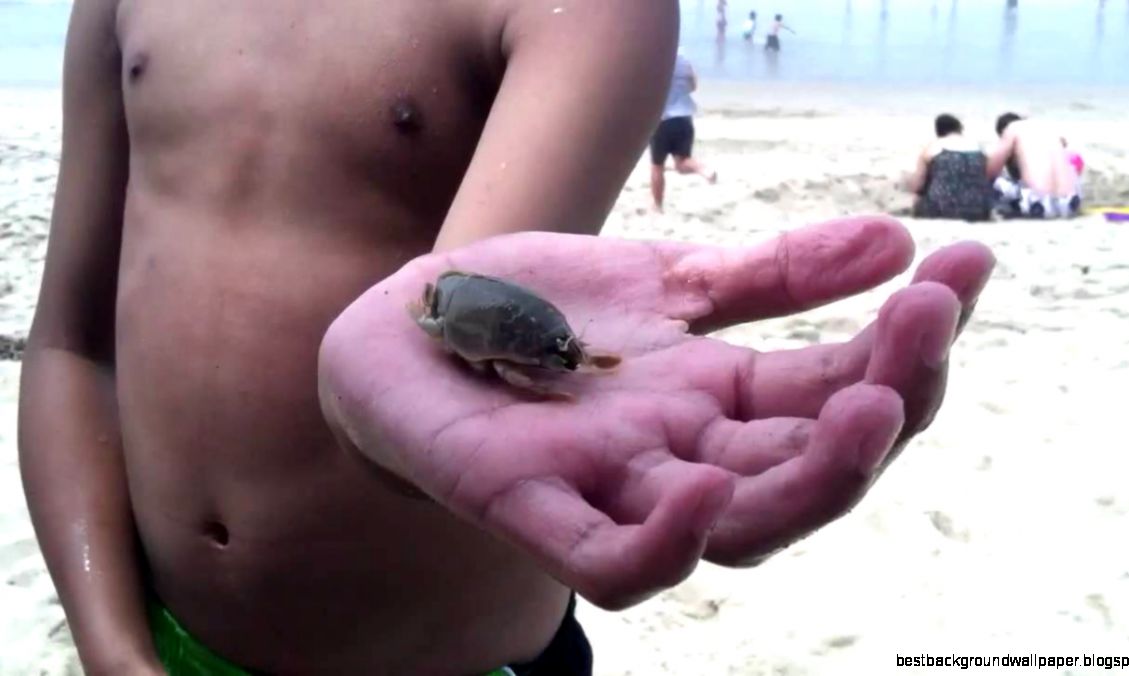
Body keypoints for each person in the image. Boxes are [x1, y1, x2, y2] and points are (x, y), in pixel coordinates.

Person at [18, 1, 994, 675]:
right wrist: (111, 646)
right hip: (152, 636)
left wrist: (415, 404)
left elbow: (442, 368)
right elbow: (70, 343)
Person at [649, 50, 717, 213]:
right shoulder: (683, 58)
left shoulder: (653, 60)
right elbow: (693, 86)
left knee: (657, 166)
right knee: (682, 163)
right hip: (685, 118)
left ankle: (657, 206)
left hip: (662, 121)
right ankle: (702, 168)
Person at [986, 112, 1082, 219]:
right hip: (1071, 203)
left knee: (994, 183)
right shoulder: (1046, 128)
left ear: (1002, 132)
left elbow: (990, 171)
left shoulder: (1011, 129)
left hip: (1040, 205)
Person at [906, 114, 993, 222]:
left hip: (940, 209)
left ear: (938, 131)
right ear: (960, 128)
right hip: (979, 210)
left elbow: (917, 185)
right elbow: (989, 176)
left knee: (917, 197)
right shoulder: (980, 148)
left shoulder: (933, 146)